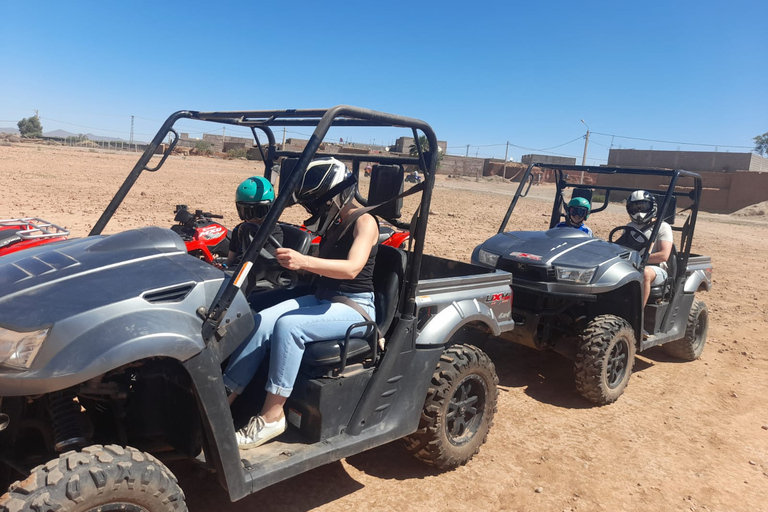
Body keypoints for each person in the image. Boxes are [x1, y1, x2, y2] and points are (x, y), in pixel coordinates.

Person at [222, 157, 380, 449]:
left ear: (336, 195)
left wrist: (304, 260)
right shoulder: (335, 223)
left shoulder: (365, 221)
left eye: (317, 203)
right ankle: (222, 401)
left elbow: (352, 268)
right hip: (324, 298)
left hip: (355, 308)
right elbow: (322, 266)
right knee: (261, 320)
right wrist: (297, 264)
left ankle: (271, 417)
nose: (314, 211)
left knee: (290, 326)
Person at [624, 190, 674, 307]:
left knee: (644, 274)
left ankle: (637, 314)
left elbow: (664, 255)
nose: (639, 212)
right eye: (635, 208)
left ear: (652, 207)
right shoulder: (629, 227)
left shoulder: (662, 227)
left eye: (643, 207)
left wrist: (639, 259)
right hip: (632, 265)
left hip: (655, 269)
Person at [227, 176, 283, 266]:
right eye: (247, 212)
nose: (253, 218)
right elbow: (230, 260)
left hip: (255, 275)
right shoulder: (239, 230)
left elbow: (266, 265)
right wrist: (223, 267)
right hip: (235, 274)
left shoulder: (274, 233)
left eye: (259, 212)